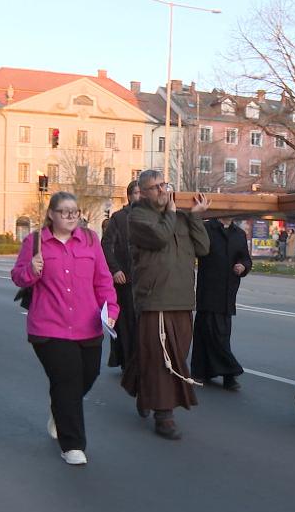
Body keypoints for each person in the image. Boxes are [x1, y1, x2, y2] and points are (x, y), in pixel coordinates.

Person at [12, 192, 119, 466]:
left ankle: (60, 407)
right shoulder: (35, 242)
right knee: (68, 380)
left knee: (88, 375)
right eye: (64, 212)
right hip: (50, 328)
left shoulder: (91, 241)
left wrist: (112, 311)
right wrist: (32, 270)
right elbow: (18, 277)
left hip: (88, 325)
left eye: (75, 212)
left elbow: (103, 280)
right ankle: (72, 445)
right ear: (51, 214)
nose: (71, 216)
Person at [121, 170, 210, 440]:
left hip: (183, 298)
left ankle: (140, 387)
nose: (162, 190)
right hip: (156, 298)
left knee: (171, 353)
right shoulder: (137, 217)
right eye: (155, 187)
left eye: (164, 185)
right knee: (163, 359)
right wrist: (172, 213)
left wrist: (194, 217)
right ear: (143, 193)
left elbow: (204, 248)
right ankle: (164, 415)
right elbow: (159, 237)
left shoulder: (182, 217)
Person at [191, 216, 252, 390]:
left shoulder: (239, 233)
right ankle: (223, 372)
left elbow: (245, 258)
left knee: (222, 335)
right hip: (209, 289)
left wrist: (242, 266)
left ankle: (224, 374)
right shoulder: (207, 228)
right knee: (207, 333)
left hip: (228, 292)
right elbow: (198, 249)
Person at [101, 180, 140, 371]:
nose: (140, 197)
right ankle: (126, 360)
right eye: (137, 193)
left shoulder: (151, 217)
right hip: (124, 278)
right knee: (125, 323)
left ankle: (140, 360)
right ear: (130, 196)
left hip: (145, 280)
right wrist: (115, 269)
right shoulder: (118, 218)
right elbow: (106, 245)